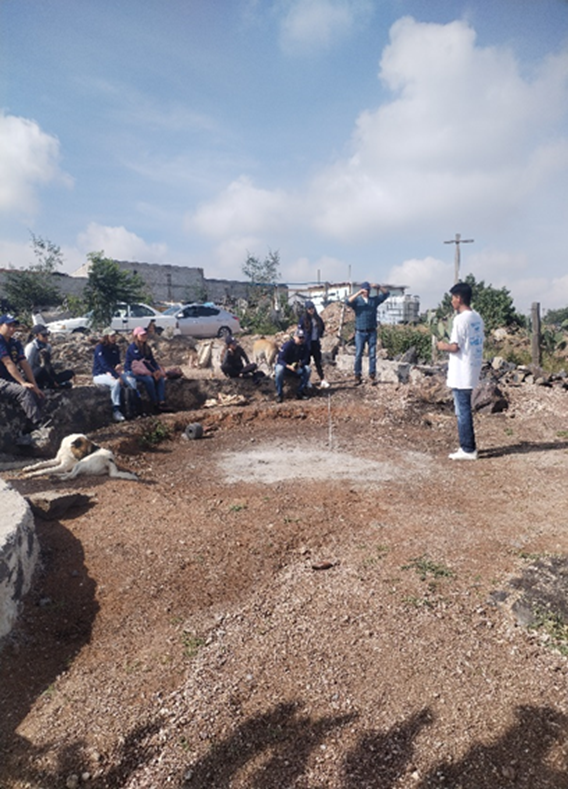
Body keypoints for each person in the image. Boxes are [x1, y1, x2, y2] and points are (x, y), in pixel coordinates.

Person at [437, 281, 485, 461]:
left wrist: (443, 346)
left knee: (462, 411)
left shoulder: (460, 319)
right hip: (472, 368)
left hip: (461, 371)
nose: (451, 301)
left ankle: (468, 448)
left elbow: (455, 347)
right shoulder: (477, 318)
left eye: (453, 298)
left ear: (459, 298)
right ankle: (467, 445)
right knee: (464, 408)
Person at [0, 314, 50, 436]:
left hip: (9, 378)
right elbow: (8, 362)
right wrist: (22, 382)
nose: (12, 329)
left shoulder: (15, 343)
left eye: (13, 326)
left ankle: (28, 428)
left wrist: (34, 385)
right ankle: (39, 424)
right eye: (8, 325)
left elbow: (24, 363)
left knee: (37, 394)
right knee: (22, 392)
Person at [345, 281, 390, 385]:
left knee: (372, 354)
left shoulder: (374, 301)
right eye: (365, 290)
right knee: (358, 354)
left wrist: (379, 286)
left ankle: (372, 375)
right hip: (360, 332)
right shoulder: (357, 302)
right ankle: (357, 375)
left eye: (368, 290)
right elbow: (347, 301)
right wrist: (358, 293)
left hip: (371, 331)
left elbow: (387, 294)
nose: (367, 292)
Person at [93, 328, 139, 422]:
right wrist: (117, 376)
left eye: (114, 336)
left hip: (113, 373)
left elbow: (117, 362)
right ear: (106, 337)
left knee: (131, 380)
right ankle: (116, 409)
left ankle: (134, 406)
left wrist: (118, 367)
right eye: (112, 336)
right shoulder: (100, 348)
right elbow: (104, 365)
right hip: (100, 374)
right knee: (116, 383)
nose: (114, 338)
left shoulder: (115, 348)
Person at [125, 326, 167, 412]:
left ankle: (161, 401)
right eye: (141, 335)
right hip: (133, 371)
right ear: (136, 336)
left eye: (145, 334)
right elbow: (141, 361)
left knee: (160, 379)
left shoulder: (146, 348)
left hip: (146, 370)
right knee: (149, 380)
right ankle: (154, 402)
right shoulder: (133, 348)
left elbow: (152, 360)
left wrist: (157, 370)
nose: (144, 336)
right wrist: (153, 372)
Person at [25, 324, 75, 390]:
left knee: (69, 373)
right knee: (41, 370)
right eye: (43, 335)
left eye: (47, 334)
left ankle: (52, 383)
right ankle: (53, 383)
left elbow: (48, 365)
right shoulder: (31, 347)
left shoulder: (48, 347)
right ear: (37, 336)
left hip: (45, 374)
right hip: (34, 373)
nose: (46, 337)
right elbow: (28, 366)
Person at [274, 328, 311, 403]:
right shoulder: (288, 345)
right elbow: (280, 359)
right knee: (279, 370)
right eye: (299, 337)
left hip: (296, 366)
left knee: (307, 370)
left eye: (303, 338)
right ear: (295, 337)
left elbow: (306, 359)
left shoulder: (304, 346)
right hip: (285, 366)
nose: (301, 340)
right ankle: (279, 394)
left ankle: (300, 391)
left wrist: (300, 364)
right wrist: (289, 366)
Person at [299, 301, 329, 389]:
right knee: (306, 362)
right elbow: (300, 330)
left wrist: (320, 334)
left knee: (318, 362)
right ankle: (307, 380)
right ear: (306, 310)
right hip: (307, 344)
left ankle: (322, 379)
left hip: (315, 343)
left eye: (312, 308)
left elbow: (322, 327)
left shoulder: (317, 318)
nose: (311, 310)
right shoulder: (303, 319)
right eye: (309, 309)